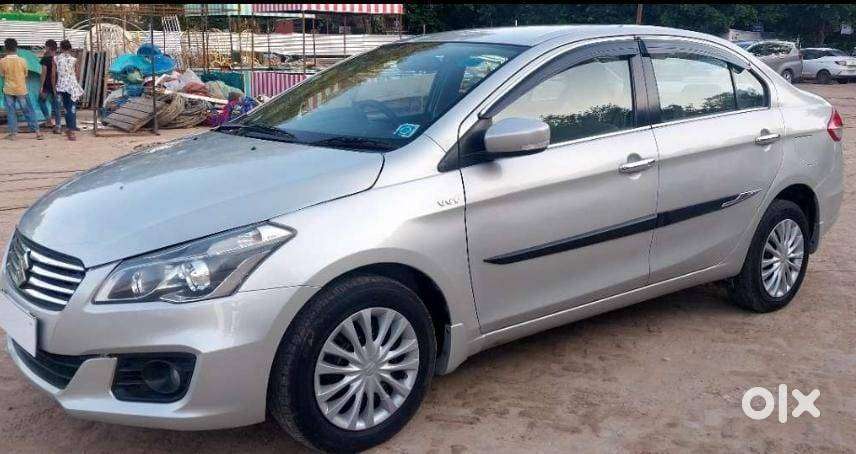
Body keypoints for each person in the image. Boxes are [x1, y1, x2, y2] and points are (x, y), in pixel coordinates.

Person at [0, 38, 43, 140]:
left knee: (11, 112)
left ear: (6, 48)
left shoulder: (2, 61)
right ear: (16, 48)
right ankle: (37, 132)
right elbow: (25, 74)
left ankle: (13, 134)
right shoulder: (22, 61)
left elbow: (2, 75)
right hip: (21, 89)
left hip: (9, 89)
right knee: (28, 110)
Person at [54, 39, 83, 141]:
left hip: (61, 86)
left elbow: (54, 75)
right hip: (72, 85)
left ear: (61, 48)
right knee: (71, 108)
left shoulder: (56, 59)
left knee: (66, 108)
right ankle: (71, 129)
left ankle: (71, 131)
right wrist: (74, 82)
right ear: (70, 48)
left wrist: (55, 87)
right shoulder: (74, 60)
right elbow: (78, 74)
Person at [38, 39, 61, 134]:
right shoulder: (59, 59)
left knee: (40, 100)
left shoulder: (46, 59)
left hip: (47, 85)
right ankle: (58, 126)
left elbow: (44, 73)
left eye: (45, 46)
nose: (45, 48)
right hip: (58, 85)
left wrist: (41, 86)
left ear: (48, 47)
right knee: (56, 106)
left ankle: (48, 120)